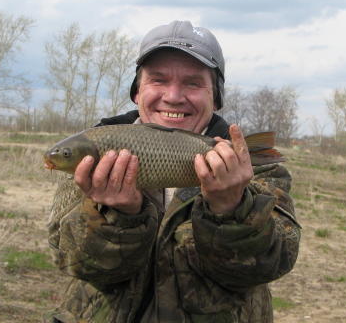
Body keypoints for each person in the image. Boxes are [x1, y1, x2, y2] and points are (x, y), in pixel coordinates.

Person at [45, 21, 300, 323]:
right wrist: (121, 216)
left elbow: (270, 264)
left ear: (215, 96)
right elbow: (72, 261)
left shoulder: (252, 167)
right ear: (137, 91)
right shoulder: (97, 154)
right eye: (158, 80)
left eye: (193, 83)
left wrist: (231, 209)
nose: (174, 96)